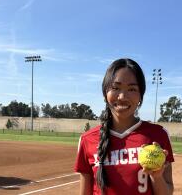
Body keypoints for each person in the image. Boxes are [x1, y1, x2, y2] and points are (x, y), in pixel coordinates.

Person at [74, 58, 174, 195]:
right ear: (105, 93)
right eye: (115, 88)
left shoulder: (158, 135)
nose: (122, 96)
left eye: (132, 89)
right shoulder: (87, 140)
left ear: (140, 96)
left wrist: (156, 177)